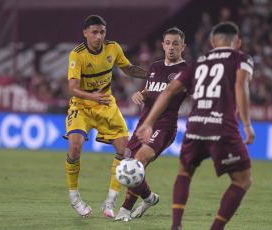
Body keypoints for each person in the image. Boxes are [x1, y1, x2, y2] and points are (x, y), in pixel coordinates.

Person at [136, 22, 255, 230]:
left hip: (195, 127)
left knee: (184, 173)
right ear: (238, 43)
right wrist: (246, 124)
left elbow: (167, 92)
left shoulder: (197, 63)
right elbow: (240, 84)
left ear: (212, 42)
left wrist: (147, 123)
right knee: (242, 180)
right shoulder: (241, 57)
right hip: (222, 126)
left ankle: (176, 225)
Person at [64, 15, 147, 218]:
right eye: (94, 32)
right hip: (82, 106)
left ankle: (110, 201)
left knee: (125, 149)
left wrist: (153, 74)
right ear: (85, 33)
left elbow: (129, 69)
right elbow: (73, 88)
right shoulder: (77, 55)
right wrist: (92, 96)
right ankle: (74, 197)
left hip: (106, 104)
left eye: (102, 32)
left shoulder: (113, 48)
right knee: (74, 146)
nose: (99, 36)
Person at [114, 27, 189, 222]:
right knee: (127, 163)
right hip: (143, 124)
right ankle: (149, 198)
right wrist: (141, 94)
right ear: (163, 45)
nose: (171, 47)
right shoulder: (154, 68)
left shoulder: (187, 72)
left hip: (164, 127)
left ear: (183, 46)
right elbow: (150, 90)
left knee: (138, 161)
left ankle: (124, 211)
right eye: (168, 43)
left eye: (175, 43)